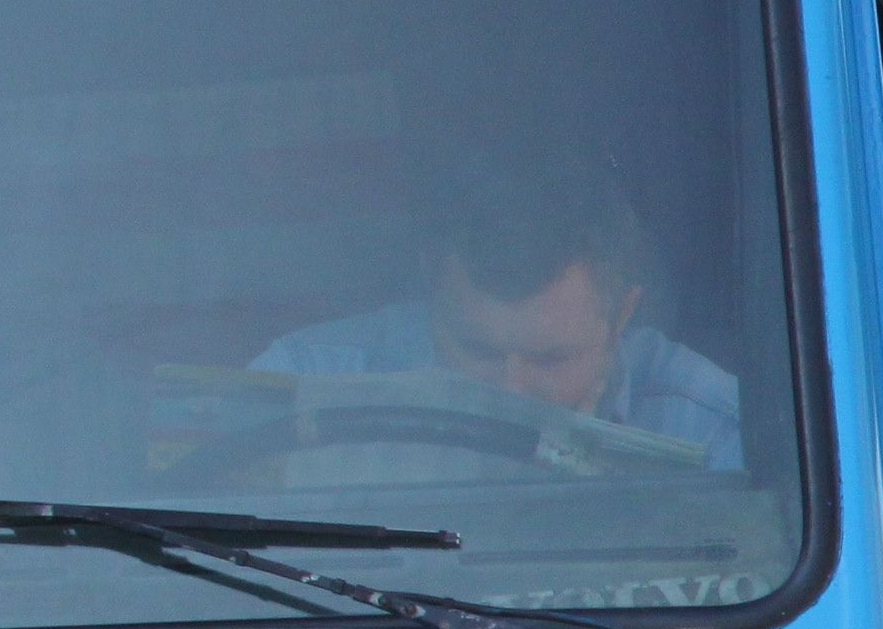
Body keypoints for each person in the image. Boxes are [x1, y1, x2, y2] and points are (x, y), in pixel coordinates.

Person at [254, 156, 744, 470]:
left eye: (549, 359)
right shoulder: (307, 384)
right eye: (478, 350)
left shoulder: (711, 429)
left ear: (620, 320)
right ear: (432, 294)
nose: (510, 391)